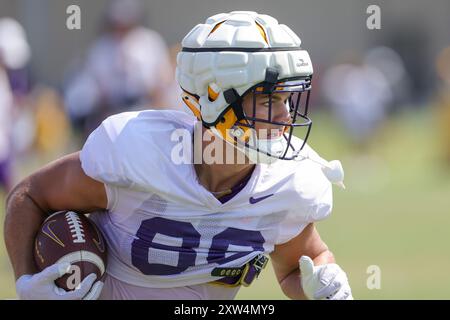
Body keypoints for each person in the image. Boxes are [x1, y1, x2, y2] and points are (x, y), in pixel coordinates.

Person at [4, 11, 353, 300]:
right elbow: (30, 195)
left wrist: (323, 285)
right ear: (217, 98)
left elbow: (298, 266)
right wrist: (25, 282)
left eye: (287, 99)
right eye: (267, 100)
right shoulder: (136, 156)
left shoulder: (287, 184)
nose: (286, 116)